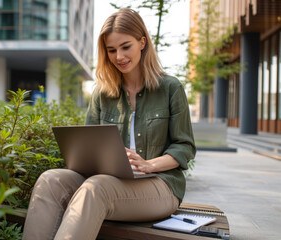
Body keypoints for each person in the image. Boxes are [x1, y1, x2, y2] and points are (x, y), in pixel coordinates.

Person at [22, 8, 196, 240]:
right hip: (108, 180)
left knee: (97, 188)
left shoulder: (170, 88)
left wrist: (149, 165)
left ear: (142, 42)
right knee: (50, 180)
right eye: (111, 50)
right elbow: (87, 147)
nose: (119, 57)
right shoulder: (102, 93)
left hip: (160, 185)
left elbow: (184, 146)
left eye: (126, 47)